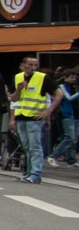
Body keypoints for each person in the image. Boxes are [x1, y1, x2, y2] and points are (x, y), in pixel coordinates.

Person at [13, 55, 51, 183]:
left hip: (35, 117)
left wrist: (47, 113)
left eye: (35, 65)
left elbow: (57, 94)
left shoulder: (42, 77)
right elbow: (14, 99)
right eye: (30, 65)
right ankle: (29, 172)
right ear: (23, 65)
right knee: (26, 146)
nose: (33, 68)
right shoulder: (18, 77)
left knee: (35, 147)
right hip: (21, 115)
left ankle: (35, 174)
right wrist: (18, 89)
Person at [47, 67, 79, 166]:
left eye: (75, 77)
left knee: (75, 139)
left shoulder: (75, 87)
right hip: (67, 115)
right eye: (71, 77)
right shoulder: (62, 86)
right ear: (65, 77)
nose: (74, 79)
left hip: (77, 114)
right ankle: (53, 156)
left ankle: (71, 159)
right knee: (69, 137)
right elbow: (69, 98)